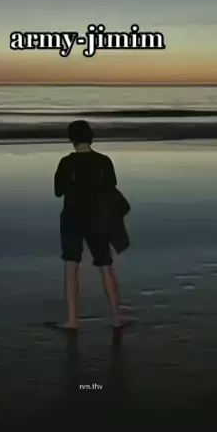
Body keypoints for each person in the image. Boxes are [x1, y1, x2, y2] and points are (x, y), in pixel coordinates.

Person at [54, 120, 125, 330]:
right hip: (97, 218)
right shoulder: (104, 161)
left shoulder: (66, 162)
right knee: (105, 267)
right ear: (91, 136)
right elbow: (111, 187)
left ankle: (73, 320)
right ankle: (116, 317)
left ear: (71, 139)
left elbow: (58, 191)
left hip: (72, 217)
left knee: (71, 268)